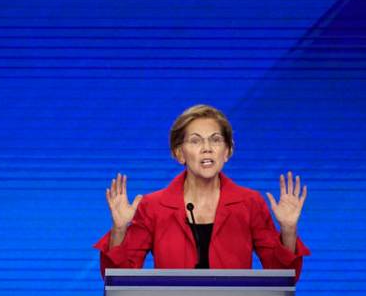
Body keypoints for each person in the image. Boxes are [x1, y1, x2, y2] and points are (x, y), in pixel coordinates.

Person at [95, 104, 309, 276]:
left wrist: (288, 230)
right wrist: (120, 230)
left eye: (216, 140)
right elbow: (119, 278)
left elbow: (282, 277)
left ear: (227, 151)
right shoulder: (153, 207)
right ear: (179, 154)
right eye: (195, 141)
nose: (207, 148)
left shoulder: (250, 203)